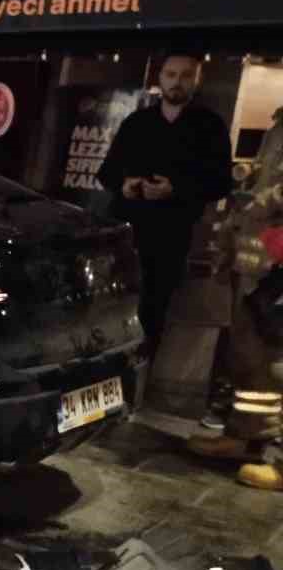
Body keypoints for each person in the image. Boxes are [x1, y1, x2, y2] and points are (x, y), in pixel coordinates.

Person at [99, 54, 232, 354]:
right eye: (171, 74)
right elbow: (107, 172)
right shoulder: (138, 122)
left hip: (173, 233)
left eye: (186, 75)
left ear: (198, 80)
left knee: (154, 306)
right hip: (126, 227)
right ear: (160, 78)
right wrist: (125, 184)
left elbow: (222, 182)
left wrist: (176, 190)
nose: (177, 82)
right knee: (114, 303)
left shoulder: (209, 127)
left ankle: (143, 372)